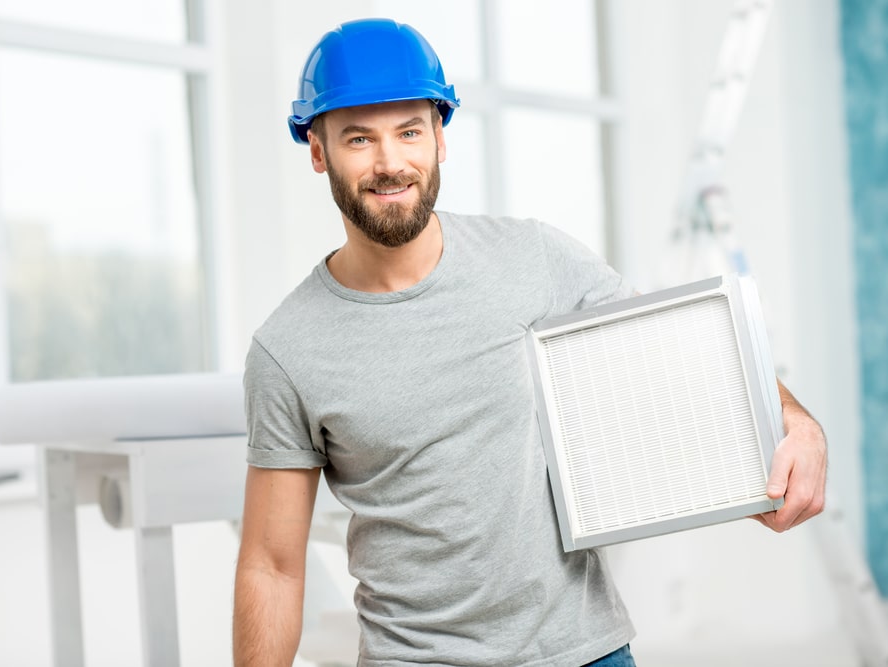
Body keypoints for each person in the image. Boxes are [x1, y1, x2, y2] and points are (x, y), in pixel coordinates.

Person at [233, 17, 827, 667]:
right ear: (317, 150)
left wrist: (790, 419)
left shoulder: (531, 259)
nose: (390, 162)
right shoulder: (288, 350)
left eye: (409, 132)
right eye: (358, 138)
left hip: (585, 651)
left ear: (440, 137)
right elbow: (273, 564)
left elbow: (683, 352)